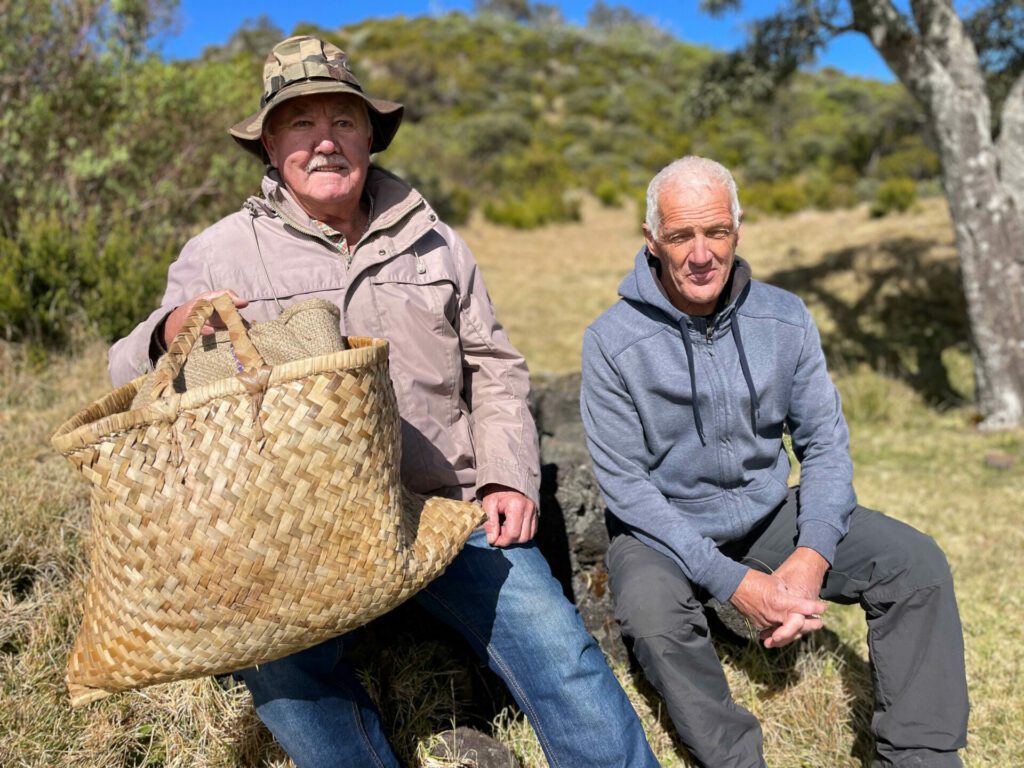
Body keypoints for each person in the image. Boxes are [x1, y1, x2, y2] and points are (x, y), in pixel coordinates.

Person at [109, 35, 659, 768]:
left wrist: (505, 476)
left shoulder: (436, 242)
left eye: (342, 120)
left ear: (370, 134)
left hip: (446, 507)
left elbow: (494, 365)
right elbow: (129, 377)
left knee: (563, 654)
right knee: (282, 674)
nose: (324, 142)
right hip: (298, 529)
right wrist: (167, 332)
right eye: (300, 124)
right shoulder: (219, 251)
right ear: (271, 145)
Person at [580, 156, 969, 768]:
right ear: (651, 242)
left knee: (915, 564)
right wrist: (738, 585)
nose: (701, 253)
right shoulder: (611, 340)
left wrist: (812, 555)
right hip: (661, 528)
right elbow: (627, 489)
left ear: (738, 230)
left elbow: (824, 444)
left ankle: (921, 756)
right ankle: (736, 759)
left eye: (717, 232)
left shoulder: (785, 317)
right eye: (681, 235)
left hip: (767, 514)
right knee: (651, 614)